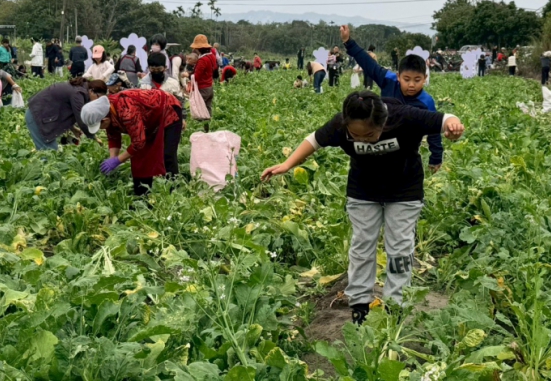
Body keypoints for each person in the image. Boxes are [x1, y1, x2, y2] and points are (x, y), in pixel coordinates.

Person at [261, 91, 464, 324]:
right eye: (355, 136)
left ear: (383, 123)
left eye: (369, 134)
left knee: (399, 249)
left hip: (404, 192)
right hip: (363, 192)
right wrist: (287, 164)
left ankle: (396, 307)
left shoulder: (404, 116)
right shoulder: (341, 124)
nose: (363, 140)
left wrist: (453, 126)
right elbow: (314, 140)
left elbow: (445, 119)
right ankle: (359, 304)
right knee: (361, 246)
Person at [341, 25, 444, 172]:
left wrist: (436, 159)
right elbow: (369, 64)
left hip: (405, 147)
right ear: (398, 76)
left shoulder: (426, 101)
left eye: (417, 80)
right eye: (406, 79)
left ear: (425, 79)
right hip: (380, 138)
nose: (411, 85)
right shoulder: (388, 80)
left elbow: (434, 130)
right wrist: (348, 42)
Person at [81, 88, 182, 196]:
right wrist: (112, 158)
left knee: (167, 155)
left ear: (104, 120)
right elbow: (113, 137)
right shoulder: (107, 110)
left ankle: (173, 193)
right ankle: (142, 196)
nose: (101, 129)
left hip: (168, 109)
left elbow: (139, 142)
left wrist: (118, 160)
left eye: (100, 126)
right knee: (140, 159)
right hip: (147, 121)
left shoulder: (126, 111)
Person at [26, 77, 107, 150]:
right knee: (49, 154)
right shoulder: (78, 93)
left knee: (49, 153)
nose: (98, 101)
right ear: (91, 91)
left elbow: (64, 108)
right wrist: (93, 138)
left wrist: (73, 129)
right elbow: (81, 120)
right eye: (98, 97)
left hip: (40, 115)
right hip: (37, 117)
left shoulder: (81, 90)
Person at [189, 35, 217, 117]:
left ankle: (201, 127)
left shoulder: (202, 60)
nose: (194, 50)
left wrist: (188, 75)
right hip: (209, 87)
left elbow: (196, 76)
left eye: (196, 48)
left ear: (199, 49)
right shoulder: (211, 56)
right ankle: (208, 128)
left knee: (199, 111)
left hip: (203, 88)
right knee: (207, 111)